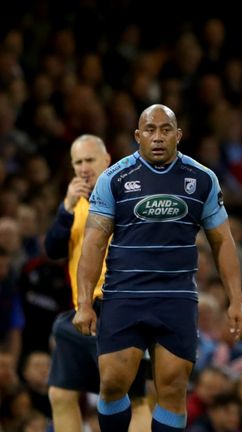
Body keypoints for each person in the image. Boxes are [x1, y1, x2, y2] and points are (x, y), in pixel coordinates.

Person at [72, 104, 242, 432]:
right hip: (124, 296)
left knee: (172, 389)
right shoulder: (114, 180)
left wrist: (236, 300)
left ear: (177, 135)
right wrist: (84, 303)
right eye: (150, 130)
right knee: (112, 383)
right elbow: (94, 244)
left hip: (176, 299)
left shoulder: (202, 180)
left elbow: (223, 242)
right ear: (137, 136)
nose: (157, 137)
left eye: (165, 129)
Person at [43, 134, 151, 431]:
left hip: (120, 309)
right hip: (83, 310)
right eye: (77, 162)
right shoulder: (73, 205)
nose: (83, 167)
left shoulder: (127, 196)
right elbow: (52, 249)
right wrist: (65, 208)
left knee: (135, 398)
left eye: (90, 160)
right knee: (61, 393)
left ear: (107, 161)